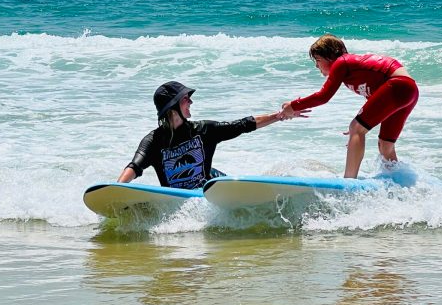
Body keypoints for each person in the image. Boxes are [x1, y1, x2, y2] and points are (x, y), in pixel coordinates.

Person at [118, 81, 308, 189]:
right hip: (178, 196)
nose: (190, 101)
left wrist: (279, 116)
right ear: (172, 106)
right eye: (185, 98)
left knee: (225, 182)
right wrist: (116, 189)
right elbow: (135, 166)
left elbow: (242, 125)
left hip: (210, 187)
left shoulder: (203, 130)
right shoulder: (153, 141)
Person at [281, 34, 418, 179]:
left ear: (330, 56)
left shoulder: (341, 62)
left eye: (318, 60)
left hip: (398, 85)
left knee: (357, 128)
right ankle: (397, 178)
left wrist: (293, 105)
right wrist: (358, 129)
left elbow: (323, 96)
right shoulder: (350, 69)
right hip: (410, 90)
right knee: (385, 145)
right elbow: (376, 99)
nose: (316, 65)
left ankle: (348, 181)